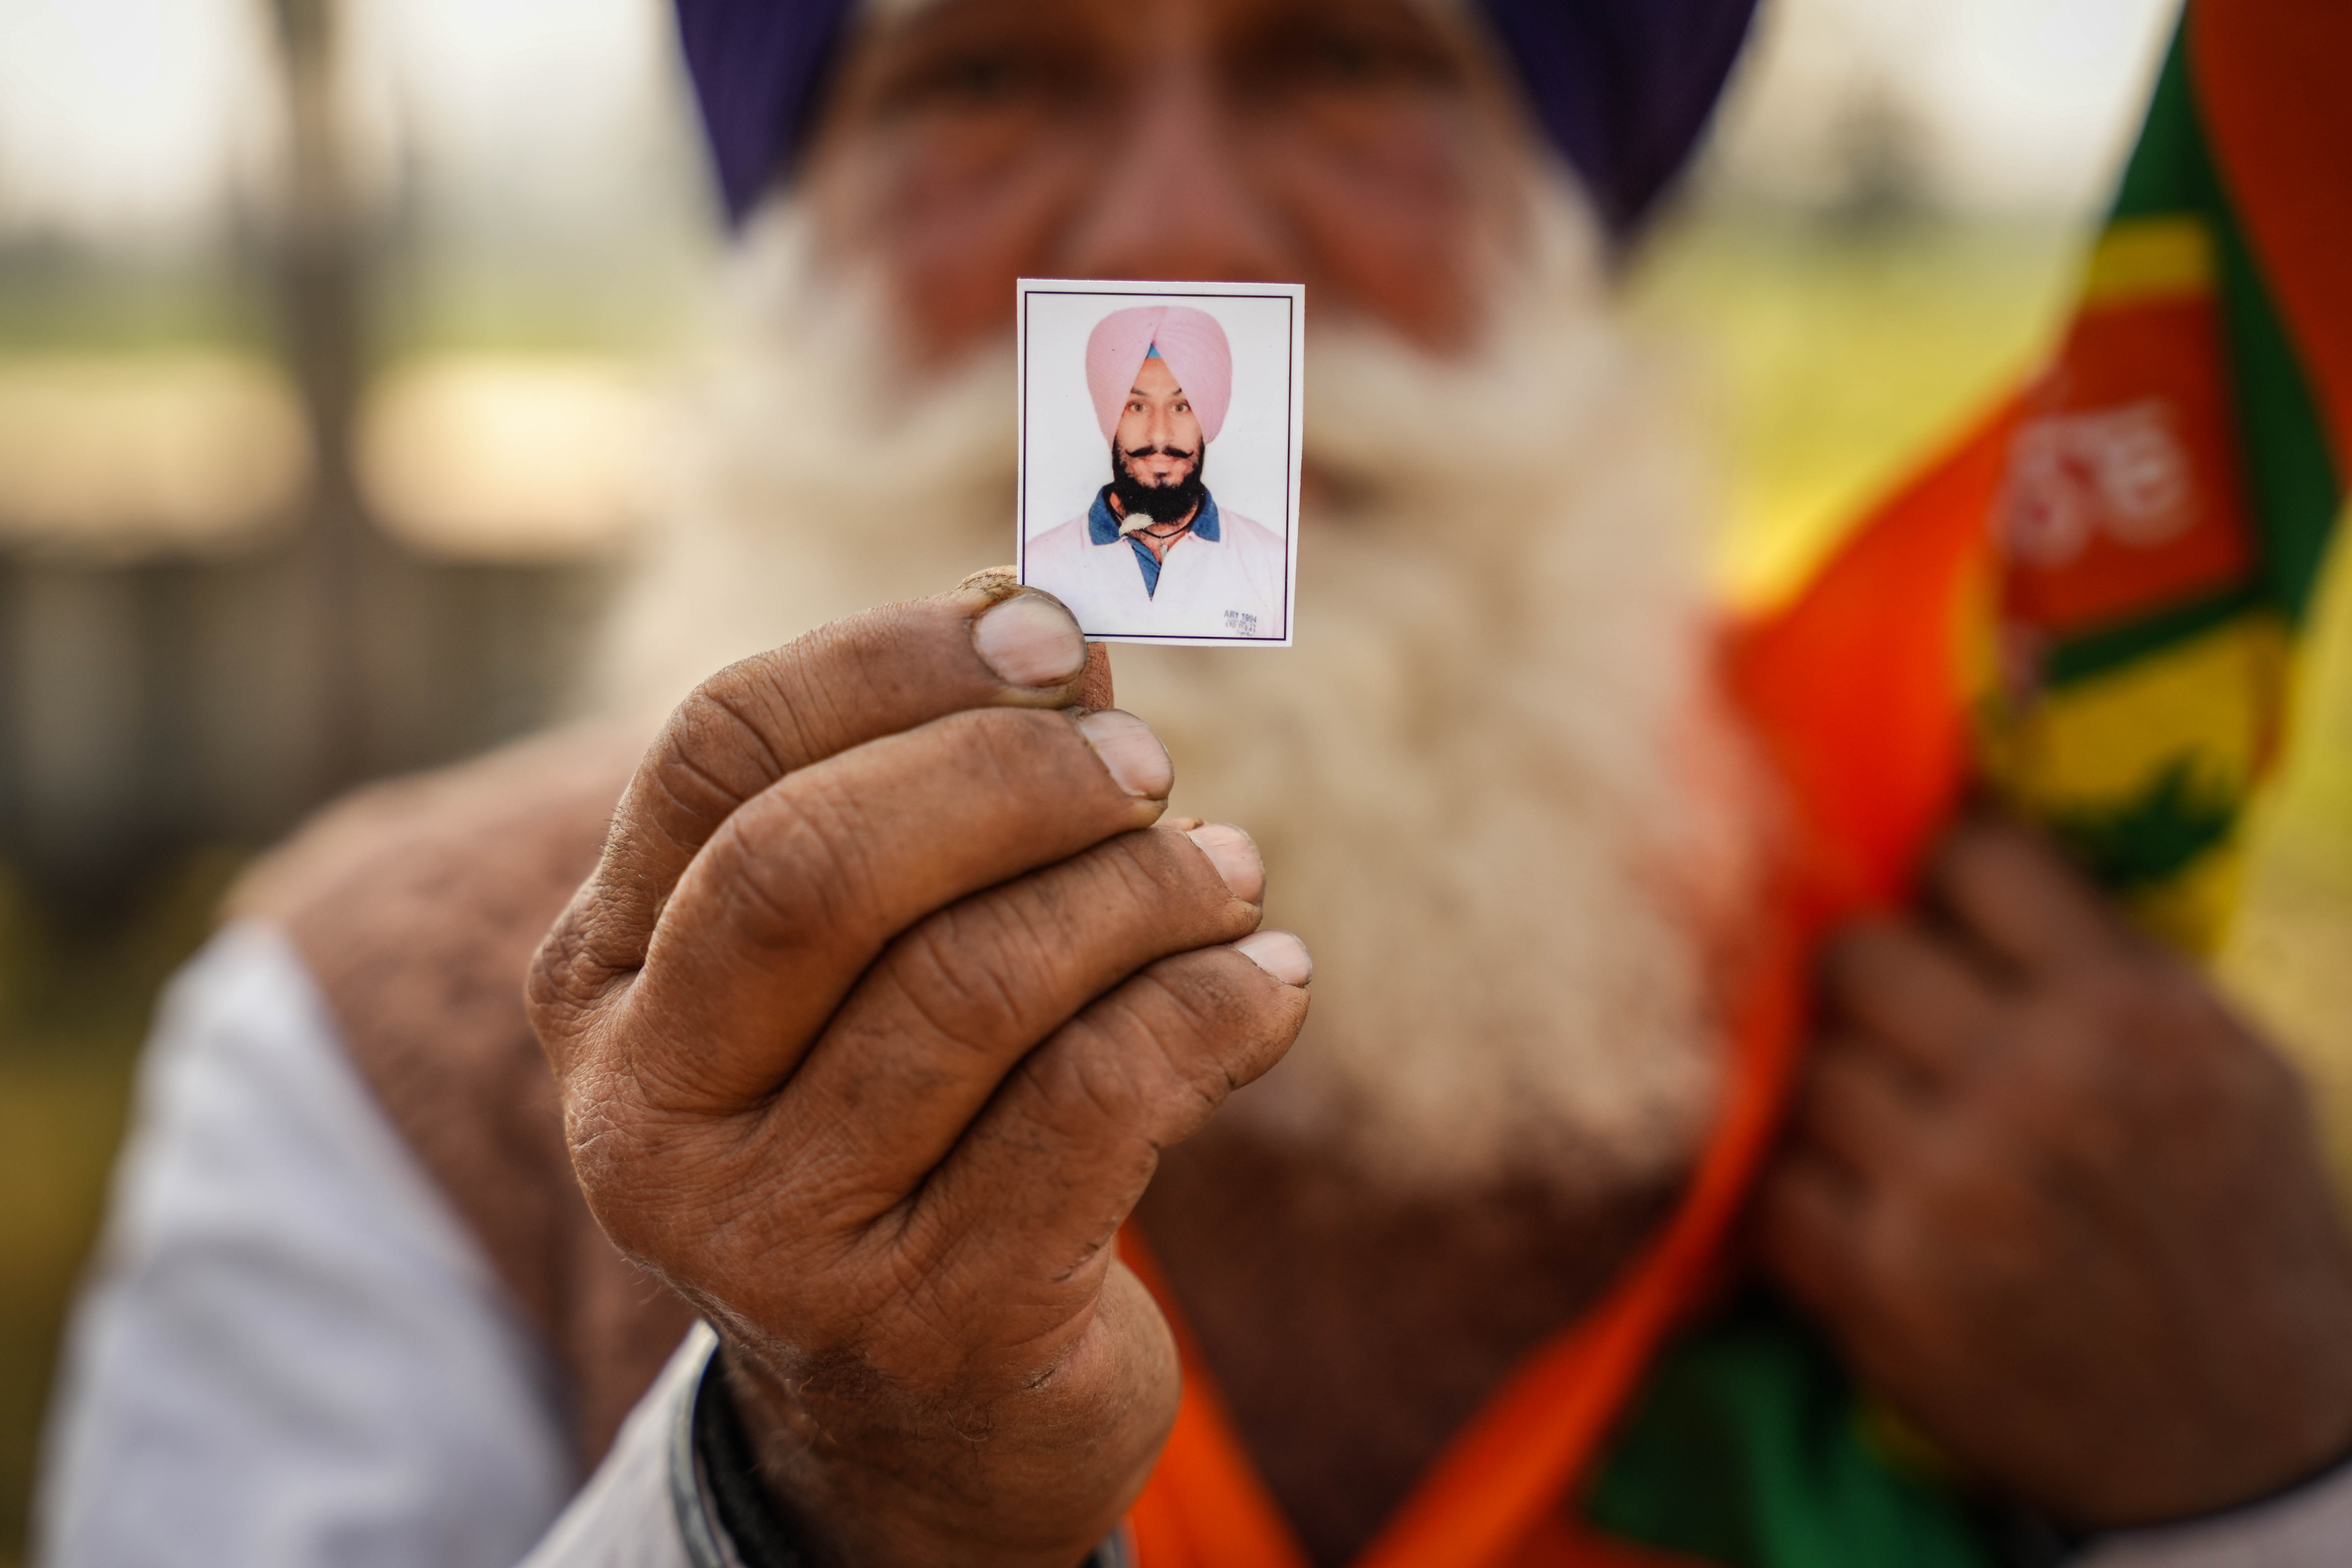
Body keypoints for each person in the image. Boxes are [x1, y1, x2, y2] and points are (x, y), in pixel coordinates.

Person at [34, 0, 2352, 1565]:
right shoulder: (382, 1035)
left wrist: (2262, 1468)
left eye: (1341, 55)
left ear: (1565, 211)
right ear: (795, 226)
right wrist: (800, 1498)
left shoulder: (1954, 929)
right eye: (990, 72)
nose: (1171, 246)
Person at [1024, 307, 1289, 640]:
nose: (1160, 436)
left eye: (1181, 407)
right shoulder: (1038, 566)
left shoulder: (1273, 564)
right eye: (1137, 407)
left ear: (1206, 417)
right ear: (1110, 418)